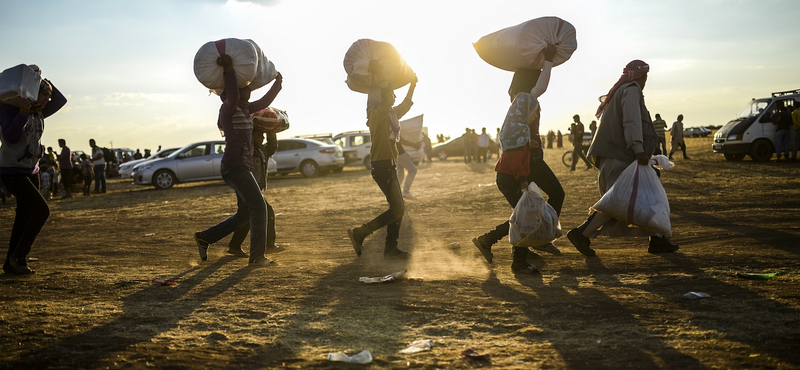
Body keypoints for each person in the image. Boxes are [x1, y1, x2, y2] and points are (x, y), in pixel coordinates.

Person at [566, 60, 678, 256]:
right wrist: (638, 148)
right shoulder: (632, 89)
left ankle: (656, 238)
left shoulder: (620, 91)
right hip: (622, 157)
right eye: (645, 76)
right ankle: (581, 233)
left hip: (619, 157)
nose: (645, 80)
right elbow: (631, 120)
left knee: (637, 197)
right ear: (640, 76)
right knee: (618, 203)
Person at [472, 44, 565, 275]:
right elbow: (541, 86)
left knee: (525, 213)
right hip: (525, 165)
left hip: (525, 163)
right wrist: (548, 61)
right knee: (531, 212)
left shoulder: (516, 108)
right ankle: (528, 246)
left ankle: (510, 242)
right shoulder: (524, 101)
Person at [193, 54, 283, 267]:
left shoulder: (244, 108)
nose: (248, 90)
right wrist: (229, 69)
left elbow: (264, 102)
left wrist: (277, 84)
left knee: (246, 213)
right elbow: (233, 94)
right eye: (244, 89)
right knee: (259, 207)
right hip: (235, 166)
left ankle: (205, 237)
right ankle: (257, 257)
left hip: (240, 166)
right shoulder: (228, 108)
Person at [347, 63, 417, 259]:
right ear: (380, 99)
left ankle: (390, 248)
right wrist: (379, 72)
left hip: (388, 165)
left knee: (398, 209)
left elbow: (405, 103)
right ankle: (361, 233)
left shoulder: (390, 116)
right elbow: (388, 98)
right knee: (397, 209)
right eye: (390, 96)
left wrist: (412, 84)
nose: (393, 97)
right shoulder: (377, 115)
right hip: (382, 165)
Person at [0, 73, 68, 274]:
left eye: (48, 95)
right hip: (11, 169)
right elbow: (10, 137)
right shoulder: (10, 110)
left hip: (32, 170)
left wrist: (38, 78)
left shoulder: (40, 112)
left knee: (23, 216)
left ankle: (11, 263)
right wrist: (22, 111)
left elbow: (60, 100)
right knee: (41, 211)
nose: (48, 99)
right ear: (32, 94)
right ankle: (19, 256)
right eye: (44, 95)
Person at [226, 126, 284, 258]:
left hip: (253, 188)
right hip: (246, 187)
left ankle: (234, 246)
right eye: (260, 135)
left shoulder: (263, 150)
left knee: (246, 216)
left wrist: (272, 129)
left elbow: (272, 145)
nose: (263, 138)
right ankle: (268, 245)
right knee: (267, 211)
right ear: (251, 137)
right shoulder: (249, 151)